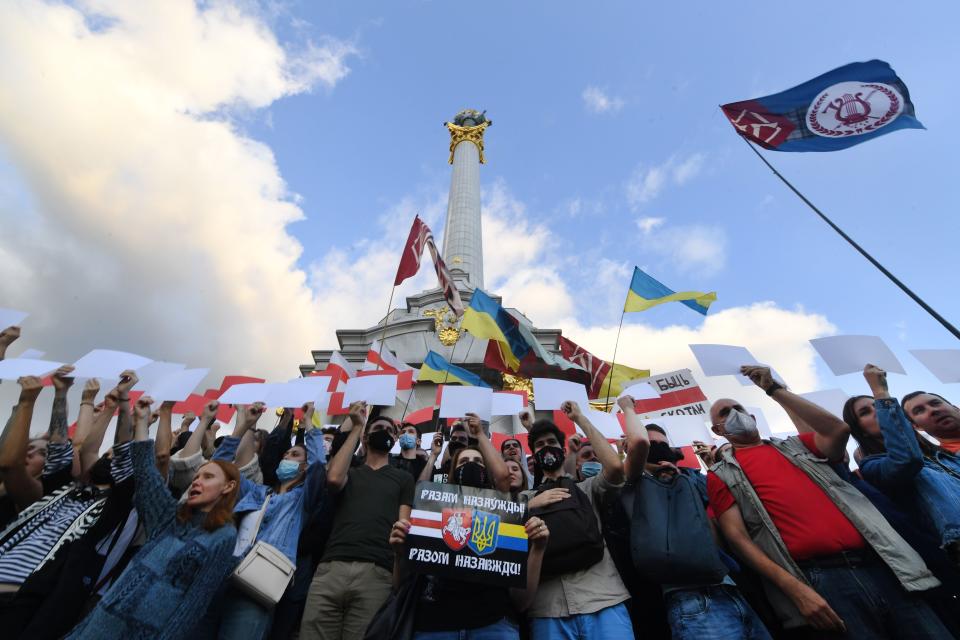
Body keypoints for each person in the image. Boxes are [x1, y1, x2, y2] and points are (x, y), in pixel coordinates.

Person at [708, 365, 949, 639]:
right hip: (822, 581)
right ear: (718, 429)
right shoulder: (722, 474)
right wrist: (796, 590)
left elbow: (837, 429)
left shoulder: (797, 445)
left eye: (737, 407)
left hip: (882, 564)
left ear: (752, 416)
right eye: (725, 413)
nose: (735, 414)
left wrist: (774, 389)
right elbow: (739, 539)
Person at [67, 395, 241, 640]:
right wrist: (140, 422)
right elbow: (147, 475)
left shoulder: (224, 535)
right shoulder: (169, 517)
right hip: (101, 623)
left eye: (208, 477)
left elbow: (195, 603)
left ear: (228, 487)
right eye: (196, 477)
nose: (197, 482)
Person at [619, 395, 772, 640]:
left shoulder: (695, 479)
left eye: (662, 445)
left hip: (733, 587)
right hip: (691, 597)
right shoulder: (638, 485)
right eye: (651, 445)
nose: (658, 451)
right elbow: (638, 445)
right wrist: (627, 407)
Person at [388, 414, 546, 639]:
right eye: (463, 462)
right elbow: (400, 585)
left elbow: (522, 602)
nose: (471, 466)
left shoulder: (505, 516)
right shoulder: (431, 512)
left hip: (492, 624)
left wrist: (538, 548)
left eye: (478, 463)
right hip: (435, 626)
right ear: (452, 473)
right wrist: (399, 553)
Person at [200, 401, 328, 639]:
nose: (286, 457)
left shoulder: (301, 500)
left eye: (294, 455)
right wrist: (243, 426)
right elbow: (219, 471)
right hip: (219, 578)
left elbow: (320, 466)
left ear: (303, 467)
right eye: (286, 454)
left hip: (255, 590)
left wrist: (309, 422)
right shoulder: (256, 492)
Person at [299, 402, 415, 640]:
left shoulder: (403, 478)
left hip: (377, 571)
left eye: (390, 430)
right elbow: (332, 479)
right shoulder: (349, 471)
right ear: (366, 437)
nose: (384, 431)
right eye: (377, 427)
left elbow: (402, 528)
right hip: (331, 568)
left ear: (394, 440)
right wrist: (356, 428)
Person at [522, 401, 634, 639]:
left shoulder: (587, 488)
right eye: (540, 445)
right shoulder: (523, 498)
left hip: (603, 600)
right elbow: (499, 521)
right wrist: (529, 506)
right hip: (548, 609)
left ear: (562, 451)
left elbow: (615, 467)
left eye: (552, 443)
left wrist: (580, 419)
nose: (546, 448)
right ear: (534, 456)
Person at [844, 365, 960, 567]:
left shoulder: (944, 455)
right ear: (861, 431)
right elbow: (907, 459)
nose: (876, 411)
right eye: (865, 412)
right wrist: (880, 393)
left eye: (876, 405)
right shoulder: (872, 466)